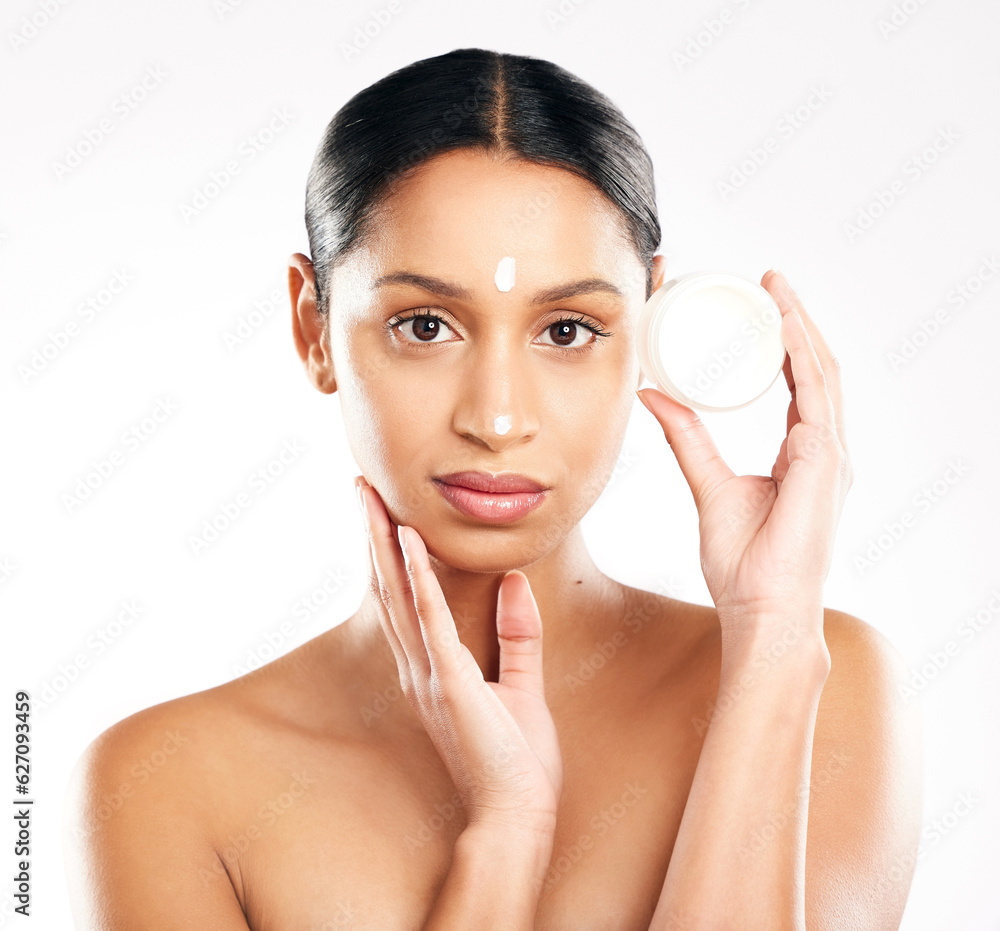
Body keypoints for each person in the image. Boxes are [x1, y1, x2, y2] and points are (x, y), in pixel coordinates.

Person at [65, 47, 923, 929]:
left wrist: (773, 644)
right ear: (313, 326)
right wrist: (505, 837)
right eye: (426, 325)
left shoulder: (823, 683)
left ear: (646, 320)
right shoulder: (160, 782)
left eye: (567, 328)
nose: (498, 417)